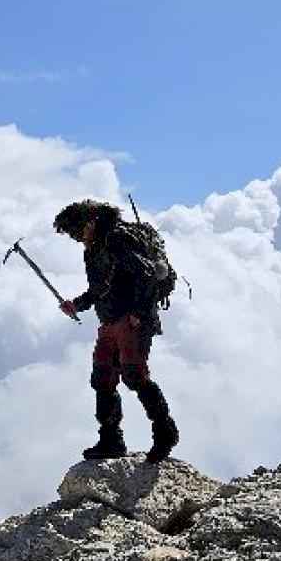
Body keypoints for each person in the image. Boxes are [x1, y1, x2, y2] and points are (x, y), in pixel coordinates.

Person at [53, 199, 180, 464]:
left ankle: (165, 433)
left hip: (131, 321)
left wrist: (138, 314)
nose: (76, 237)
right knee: (103, 377)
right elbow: (100, 289)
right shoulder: (94, 248)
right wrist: (76, 304)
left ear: (90, 221)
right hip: (110, 320)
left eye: (77, 230)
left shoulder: (117, 240)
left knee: (134, 375)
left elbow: (146, 276)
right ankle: (111, 440)